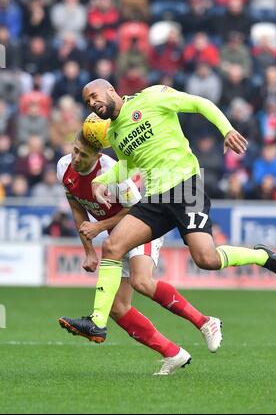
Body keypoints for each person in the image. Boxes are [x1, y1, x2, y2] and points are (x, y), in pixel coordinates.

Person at [67, 80, 276, 370]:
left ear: (110, 90)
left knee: (207, 259)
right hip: (155, 198)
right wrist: (102, 181)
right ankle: (97, 322)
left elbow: (199, 103)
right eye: (87, 102)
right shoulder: (114, 132)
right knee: (112, 245)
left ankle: (263, 256)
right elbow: (128, 165)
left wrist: (226, 130)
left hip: (185, 187)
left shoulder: (152, 97)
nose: (92, 104)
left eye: (94, 96)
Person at [57, 129, 221, 375]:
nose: (76, 158)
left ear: (98, 156)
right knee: (117, 308)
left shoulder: (114, 175)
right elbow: (76, 206)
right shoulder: (63, 166)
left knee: (142, 281)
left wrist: (99, 226)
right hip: (116, 238)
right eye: (75, 151)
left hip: (140, 229)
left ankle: (205, 322)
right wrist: (89, 251)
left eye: (84, 155)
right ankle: (173, 354)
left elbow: (138, 211)